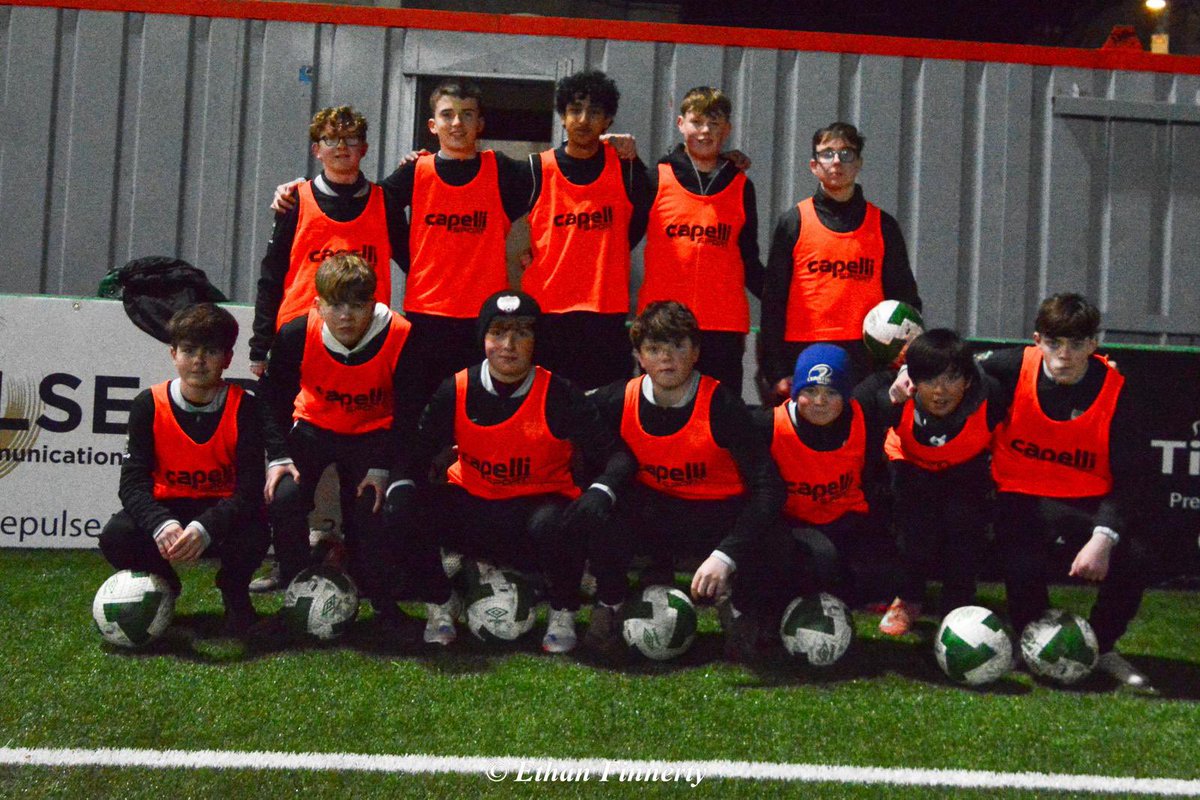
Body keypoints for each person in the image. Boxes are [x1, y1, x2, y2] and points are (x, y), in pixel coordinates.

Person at [388, 290, 635, 653]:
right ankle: (441, 602)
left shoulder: (559, 393)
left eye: (521, 333)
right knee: (402, 506)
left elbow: (617, 457)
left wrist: (602, 490)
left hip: (536, 514)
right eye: (498, 332)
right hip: (473, 506)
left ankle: (563, 609)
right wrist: (398, 483)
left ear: (536, 341)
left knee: (563, 520)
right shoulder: (456, 388)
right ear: (483, 338)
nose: (508, 345)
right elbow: (416, 450)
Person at [587, 301, 791, 659]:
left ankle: (740, 607)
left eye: (678, 346)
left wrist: (726, 555)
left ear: (696, 352)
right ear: (639, 357)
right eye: (654, 348)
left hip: (715, 516)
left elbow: (769, 488)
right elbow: (566, 408)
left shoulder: (722, 406)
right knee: (597, 508)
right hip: (654, 513)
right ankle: (611, 602)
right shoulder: (617, 399)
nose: (667, 358)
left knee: (773, 536)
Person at [980, 293, 1156, 691]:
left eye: (1076, 344)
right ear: (1037, 340)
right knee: (1015, 539)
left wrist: (1103, 537)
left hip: (1086, 501)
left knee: (1136, 555)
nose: (1064, 354)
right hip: (1021, 494)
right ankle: (1032, 637)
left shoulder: (1117, 391)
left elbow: (1133, 478)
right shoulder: (1011, 366)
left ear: (1093, 344)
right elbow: (951, 367)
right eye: (1054, 342)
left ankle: (1101, 645)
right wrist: (907, 377)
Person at [257, 254, 426, 630]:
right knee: (283, 496)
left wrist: (383, 466)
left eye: (357, 305)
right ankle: (296, 589)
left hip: (374, 434)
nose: (346, 315)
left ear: (374, 303)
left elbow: (410, 412)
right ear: (318, 304)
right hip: (313, 427)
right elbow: (269, 399)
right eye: (335, 305)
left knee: (372, 509)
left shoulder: (401, 335)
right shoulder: (296, 333)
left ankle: (381, 601)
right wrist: (279, 456)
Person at [97, 303, 268, 637]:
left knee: (256, 531)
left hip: (219, 515)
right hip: (169, 512)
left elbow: (249, 489)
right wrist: (160, 524)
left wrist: (206, 527)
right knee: (116, 535)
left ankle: (234, 592)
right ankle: (165, 585)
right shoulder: (148, 404)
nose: (199, 361)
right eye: (189, 350)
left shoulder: (245, 407)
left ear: (228, 358)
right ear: (173, 354)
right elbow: (131, 484)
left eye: (211, 351)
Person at [759, 122, 921, 403]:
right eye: (827, 154)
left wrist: (902, 363)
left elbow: (906, 300)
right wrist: (776, 372)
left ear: (859, 163)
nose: (836, 161)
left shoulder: (883, 226)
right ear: (813, 165)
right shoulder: (793, 223)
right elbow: (773, 302)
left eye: (846, 154)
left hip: (867, 359)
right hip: (804, 354)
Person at [249, 106, 404, 377]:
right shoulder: (294, 200)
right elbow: (271, 277)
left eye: (351, 139)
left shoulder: (385, 203)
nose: (341, 146)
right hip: (299, 335)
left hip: (364, 339)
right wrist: (260, 347)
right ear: (316, 150)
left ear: (364, 148)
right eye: (330, 139)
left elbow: (418, 262)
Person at [872, 329, 1009, 635]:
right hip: (911, 464)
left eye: (951, 379)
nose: (940, 390)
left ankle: (958, 604)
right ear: (913, 380)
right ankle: (908, 598)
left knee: (966, 530)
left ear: (968, 380)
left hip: (966, 465)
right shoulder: (892, 398)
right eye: (930, 379)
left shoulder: (992, 394)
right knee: (914, 532)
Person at [522, 69, 652, 390]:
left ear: (608, 120)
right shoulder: (536, 169)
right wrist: (425, 160)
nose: (583, 120)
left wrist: (728, 159)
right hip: (548, 316)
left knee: (605, 411)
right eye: (575, 110)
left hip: (604, 317)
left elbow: (660, 203)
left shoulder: (626, 169)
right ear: (562, 117)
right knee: (548, 410)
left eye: (594, 112)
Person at [637, 86, 763, 392]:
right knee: (662, 412)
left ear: (727, 130)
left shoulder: (740, 185)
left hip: (723, 327)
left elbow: (749, 260)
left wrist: (787, 299)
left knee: (719, 413)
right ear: (681, 124)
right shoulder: (656, 178)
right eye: (697, 122)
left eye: (714, 123)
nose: (705, 131)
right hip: (663, 326)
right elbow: (617, 239)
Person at [756, 344, 895, 619]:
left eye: (831, 392)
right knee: (813, 563)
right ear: (794, 392)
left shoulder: (862, 412)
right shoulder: (768, 425)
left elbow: (884, 378)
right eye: (809, 391)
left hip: (847, 518)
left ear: (846, 395)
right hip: (793, 524)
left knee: (886, 576)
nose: (820, 401)